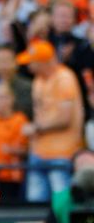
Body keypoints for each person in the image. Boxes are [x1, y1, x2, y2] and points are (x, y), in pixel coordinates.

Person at [17, 40, 84, 203]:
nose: (29, 67)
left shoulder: (65, 78)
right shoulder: (39, 81)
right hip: (38, 153)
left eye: (32, 63)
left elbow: (64, 119)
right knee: (34, 206)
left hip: (61, 154)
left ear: (42, 62)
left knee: (61, 204)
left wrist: (35, 128)